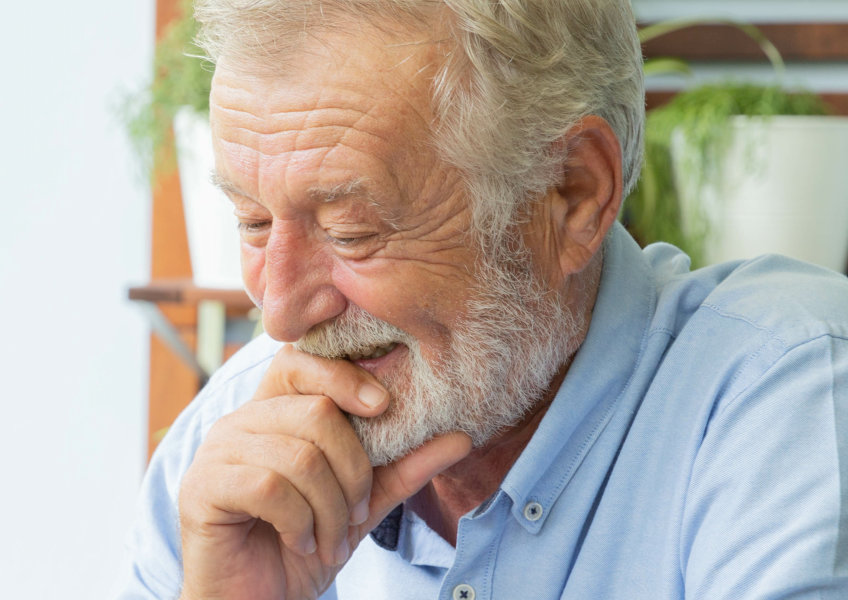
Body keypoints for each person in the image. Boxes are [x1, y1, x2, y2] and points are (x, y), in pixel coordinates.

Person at [120, 1, 848, 598]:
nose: (278, 312)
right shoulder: (230, 453)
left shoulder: (782, 392)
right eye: (252, 222)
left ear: (570, 195)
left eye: (352, 232)